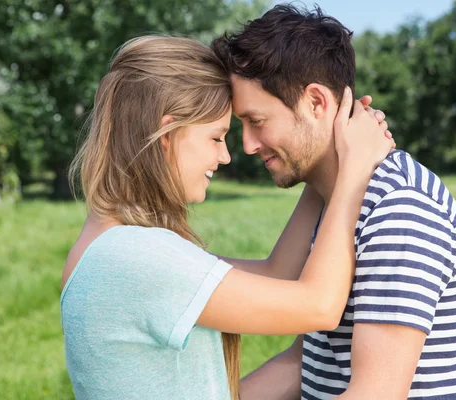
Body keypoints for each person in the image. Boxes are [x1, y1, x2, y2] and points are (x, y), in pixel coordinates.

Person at [60, 35, 395, 400]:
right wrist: (354, 168)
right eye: (216, 138)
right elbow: (319, 305)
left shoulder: (110, 248)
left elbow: (276, 273)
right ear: (167, 135)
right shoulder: (136, 257)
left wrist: (321, 154)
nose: (225, 156)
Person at [212, 4, 456, 400]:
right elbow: (304, 363)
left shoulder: (399, 208)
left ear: (316, 103)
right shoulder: (337, 199)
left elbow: (375, 393)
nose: (248, 145)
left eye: (256, 121)